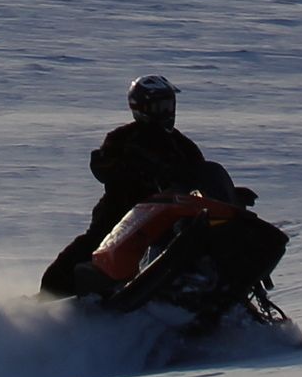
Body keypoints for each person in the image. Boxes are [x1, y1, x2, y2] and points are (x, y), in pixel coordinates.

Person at [41, 73, 247, 296]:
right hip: (123, 212)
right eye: (160, 106)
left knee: (207, 236)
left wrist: (230, 194)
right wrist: (133, 169)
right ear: (141, 108)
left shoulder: (182, 145)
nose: (167, 112)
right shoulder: (125, 137)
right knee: (85, 249)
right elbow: (102, 164)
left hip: (171, 214)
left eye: (169, 105)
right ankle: (51, 297)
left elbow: (200, 173)